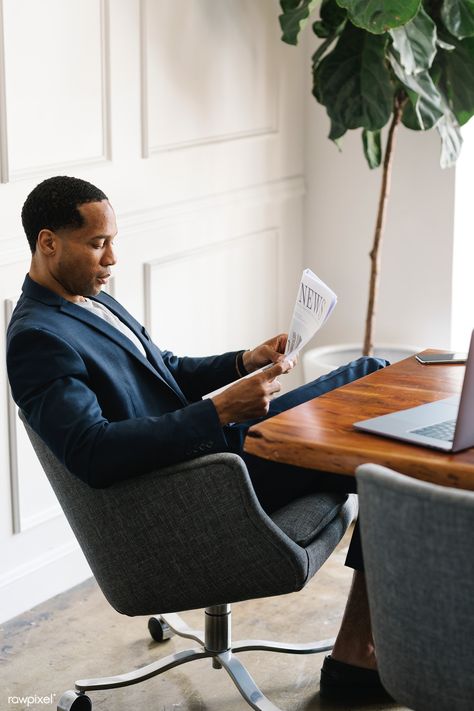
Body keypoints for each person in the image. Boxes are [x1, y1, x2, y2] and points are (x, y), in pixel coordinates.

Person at [6, 176, 390, 702]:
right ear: (49, 242)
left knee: (371, 381)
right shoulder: (37, 339)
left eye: (113, 241)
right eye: (98, 244)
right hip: (201, 487)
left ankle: (363, 647)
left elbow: (162, 369)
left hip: (218, 452)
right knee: (381, 431)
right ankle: (359, 656)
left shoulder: (85, 298)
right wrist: (217, 412)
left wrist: (242, 362)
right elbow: (94, 453)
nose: (112, 259)